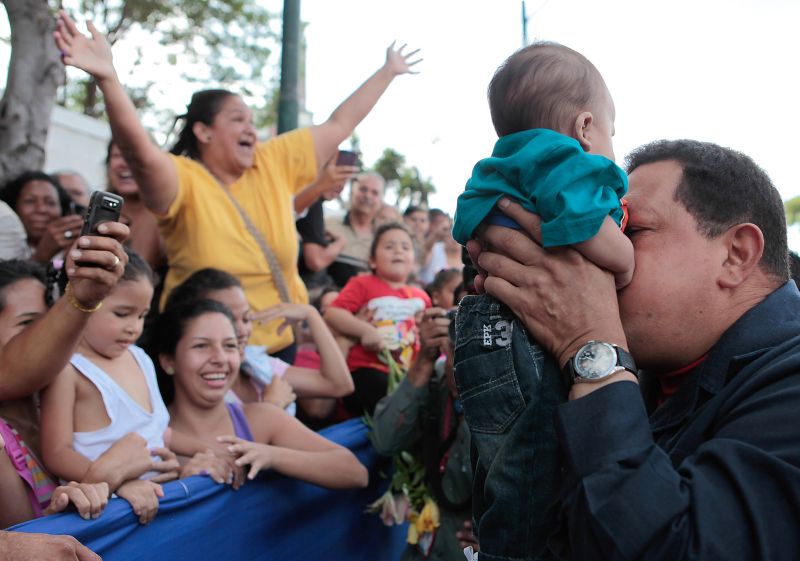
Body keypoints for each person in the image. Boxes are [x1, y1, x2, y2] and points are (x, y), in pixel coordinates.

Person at [468, 138, 800, 560]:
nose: (597, 257)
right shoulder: (642, 374)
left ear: (736, 254)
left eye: (627, 229)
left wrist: (590, 348)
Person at [55, 11, 420, 363]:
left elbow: (340, 123)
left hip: (279, 346)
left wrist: (387, 71)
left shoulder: (272, 160)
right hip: (202, 352)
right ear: (204, 131)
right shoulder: (184, 177)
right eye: (237, 119)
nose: (250, 128)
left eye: (251, 120)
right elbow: (142, 155)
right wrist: (108, 79)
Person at [450, 41, 631, 561]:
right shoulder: (564, 162)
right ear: (585, 127)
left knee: (497, 462)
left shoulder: (496, 168)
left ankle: (492, 548)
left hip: (482, 329)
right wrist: (625, 260)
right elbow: (583, 225)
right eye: (612, 133)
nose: (611, 147)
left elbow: (466, 228)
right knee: (533, 470)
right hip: (525, 336)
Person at [156, 298, 369, 489]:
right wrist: (183, 486)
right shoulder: (152, 439)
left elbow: (355, 472)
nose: (220, 358)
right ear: (168, 361)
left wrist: (269, 455)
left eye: (230, 346)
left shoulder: (262, 419)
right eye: (201, 346)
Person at [40, 250, 179, 525]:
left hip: (160, 505)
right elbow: (56, 454)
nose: (134, 328)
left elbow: (158, 431)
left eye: (142, 316)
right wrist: (118, 481)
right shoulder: (69, 370)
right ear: (84, 303)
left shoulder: (141, 358)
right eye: (122, 314)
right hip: (104, 516)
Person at [162, 268, 353, 416]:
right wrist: (271, 408)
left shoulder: (256, 364)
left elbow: (338, 385)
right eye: (228, 319)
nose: (241, 331)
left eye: (246, 318)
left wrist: (311, 315)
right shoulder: (204, 382)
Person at [371, 307, 476, 561]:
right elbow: (384, 441)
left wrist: (508, 539)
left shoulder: (517, 396)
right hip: (424, 548)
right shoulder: (436, 382)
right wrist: (423, 362)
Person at [325, 223, 431, 416]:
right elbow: (333, 313)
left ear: (413, 262)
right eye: (389, 246)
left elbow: (426, 329)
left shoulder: (421, 297)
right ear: (372, 261)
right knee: (381, 391)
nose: (398, 251)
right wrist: (365, 330)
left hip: (409, 372)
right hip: (367, 368)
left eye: (405, 247)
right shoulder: (362, 284)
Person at [105, 141, 167, 272]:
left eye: (135, 155)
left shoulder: (167, 219)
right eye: (117, 156)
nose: (125, 163)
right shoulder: (93, 213)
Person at [0, 171, 84, 264]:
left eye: (50, 202)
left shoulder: (73, 250)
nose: (41, 209)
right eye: (30, 201)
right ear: (13, 207)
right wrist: (41, 255)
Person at [326, 172, 387, 288]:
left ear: (381, 200)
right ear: (351, 192)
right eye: (363, 189)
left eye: (375, 193)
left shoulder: (383, 236)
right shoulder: (329, 224)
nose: (368, 196)